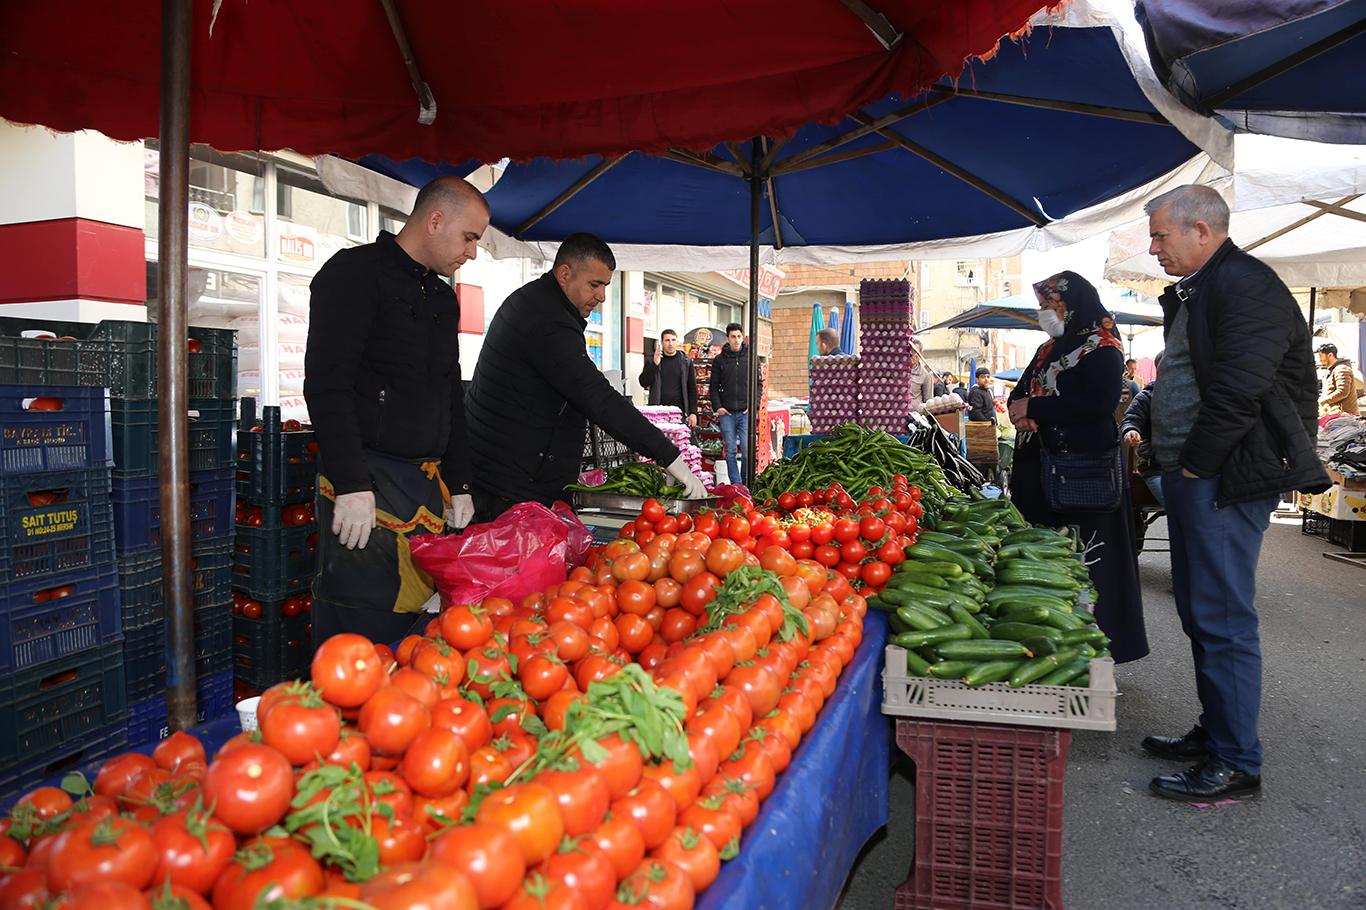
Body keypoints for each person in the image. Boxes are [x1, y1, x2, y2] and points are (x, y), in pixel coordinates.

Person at [1142, 184, 1329, 801]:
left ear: (1201, 230)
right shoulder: (1204, 288)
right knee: (1201, 610)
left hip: (1223, 475)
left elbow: (1239, 390)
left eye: (1160, 235)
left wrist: (1197, 466)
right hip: (1196, 473)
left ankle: (1236, 761)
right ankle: (1217, 729)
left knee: (1221, 617)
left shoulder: (1246, 285)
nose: (1153, 248)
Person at [303, 176, 483, 645]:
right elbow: (327, 384)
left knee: (416, 634)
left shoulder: (442, 297)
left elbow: (450, 392)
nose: (472, 253)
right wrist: (351, 484)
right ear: (435, 220)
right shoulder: (353, 274)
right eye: (469, 237)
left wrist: (461, 483)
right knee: (361, 628)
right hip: (366, 485)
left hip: (426, 491)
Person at [465, 233, 708, 521]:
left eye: (606, 286)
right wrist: (669, 456)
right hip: (507, 487)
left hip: (515, 477)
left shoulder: (545, 306)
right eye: (594, 284)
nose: (602, 296)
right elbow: (597, 397)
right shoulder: (545, 319)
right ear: (564, 274)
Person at [1006, 271, 1148, 667]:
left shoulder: (1103, 348)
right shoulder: (1047, 349)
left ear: (1072, 305)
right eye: (1042, 306)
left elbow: (1098, 404)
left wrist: (1036, 408)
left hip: (1083, 473)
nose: (1044, 313)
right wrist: (1022, 409)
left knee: (1087, 559)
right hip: (1038, 469)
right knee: (1042, 559)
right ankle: (1046, 650)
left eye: (1049, 305)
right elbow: (1020, 393)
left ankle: (1096, 650)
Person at [710, 323, 751, 485]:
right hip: (726, 413)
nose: (736, 340)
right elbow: (713, 386)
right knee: (731, 451)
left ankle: (746, 483)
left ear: (743, 337)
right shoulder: (719, 360)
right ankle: (736, 484)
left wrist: (753, 406)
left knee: (747, 451)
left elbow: (758, 384)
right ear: (727, 338)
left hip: (745, 412)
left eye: (739, 336)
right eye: (733, 337)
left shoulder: (750, 357)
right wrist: (718, 407)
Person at [1121, 353, 1163, 506]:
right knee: (1181, 508)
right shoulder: (1147, 395)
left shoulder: (1195, 393)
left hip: (1190, 466)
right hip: (1156, 467)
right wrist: (1131, 429)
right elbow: (1132, 418)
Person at [639, 329, 699, 426]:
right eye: (667, 340)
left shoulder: (686, 362)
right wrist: (655, 365)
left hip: (679, 412)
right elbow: (643, 382)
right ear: (662, 342)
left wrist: (693, 412)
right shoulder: (653, 360)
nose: (670, 344)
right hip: (658, 412)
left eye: (673, 340)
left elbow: (692, 388)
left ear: (677, 342)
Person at [1316, 343, 1360, 416]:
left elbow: (1342, 392)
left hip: (1345, 416)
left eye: (1321, 356)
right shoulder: (1332, 370)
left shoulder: (1341, 369)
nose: (1320, 359)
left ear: (1330, 355)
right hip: (1337, 415)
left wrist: (1322, 401)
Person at [908, 342, 936, 412]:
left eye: (915, 352)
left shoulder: (926, 374)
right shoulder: (898, 371)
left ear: (920, 354)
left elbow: (928, 401)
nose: (912, 355)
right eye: (910, 351)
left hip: (915, 414)